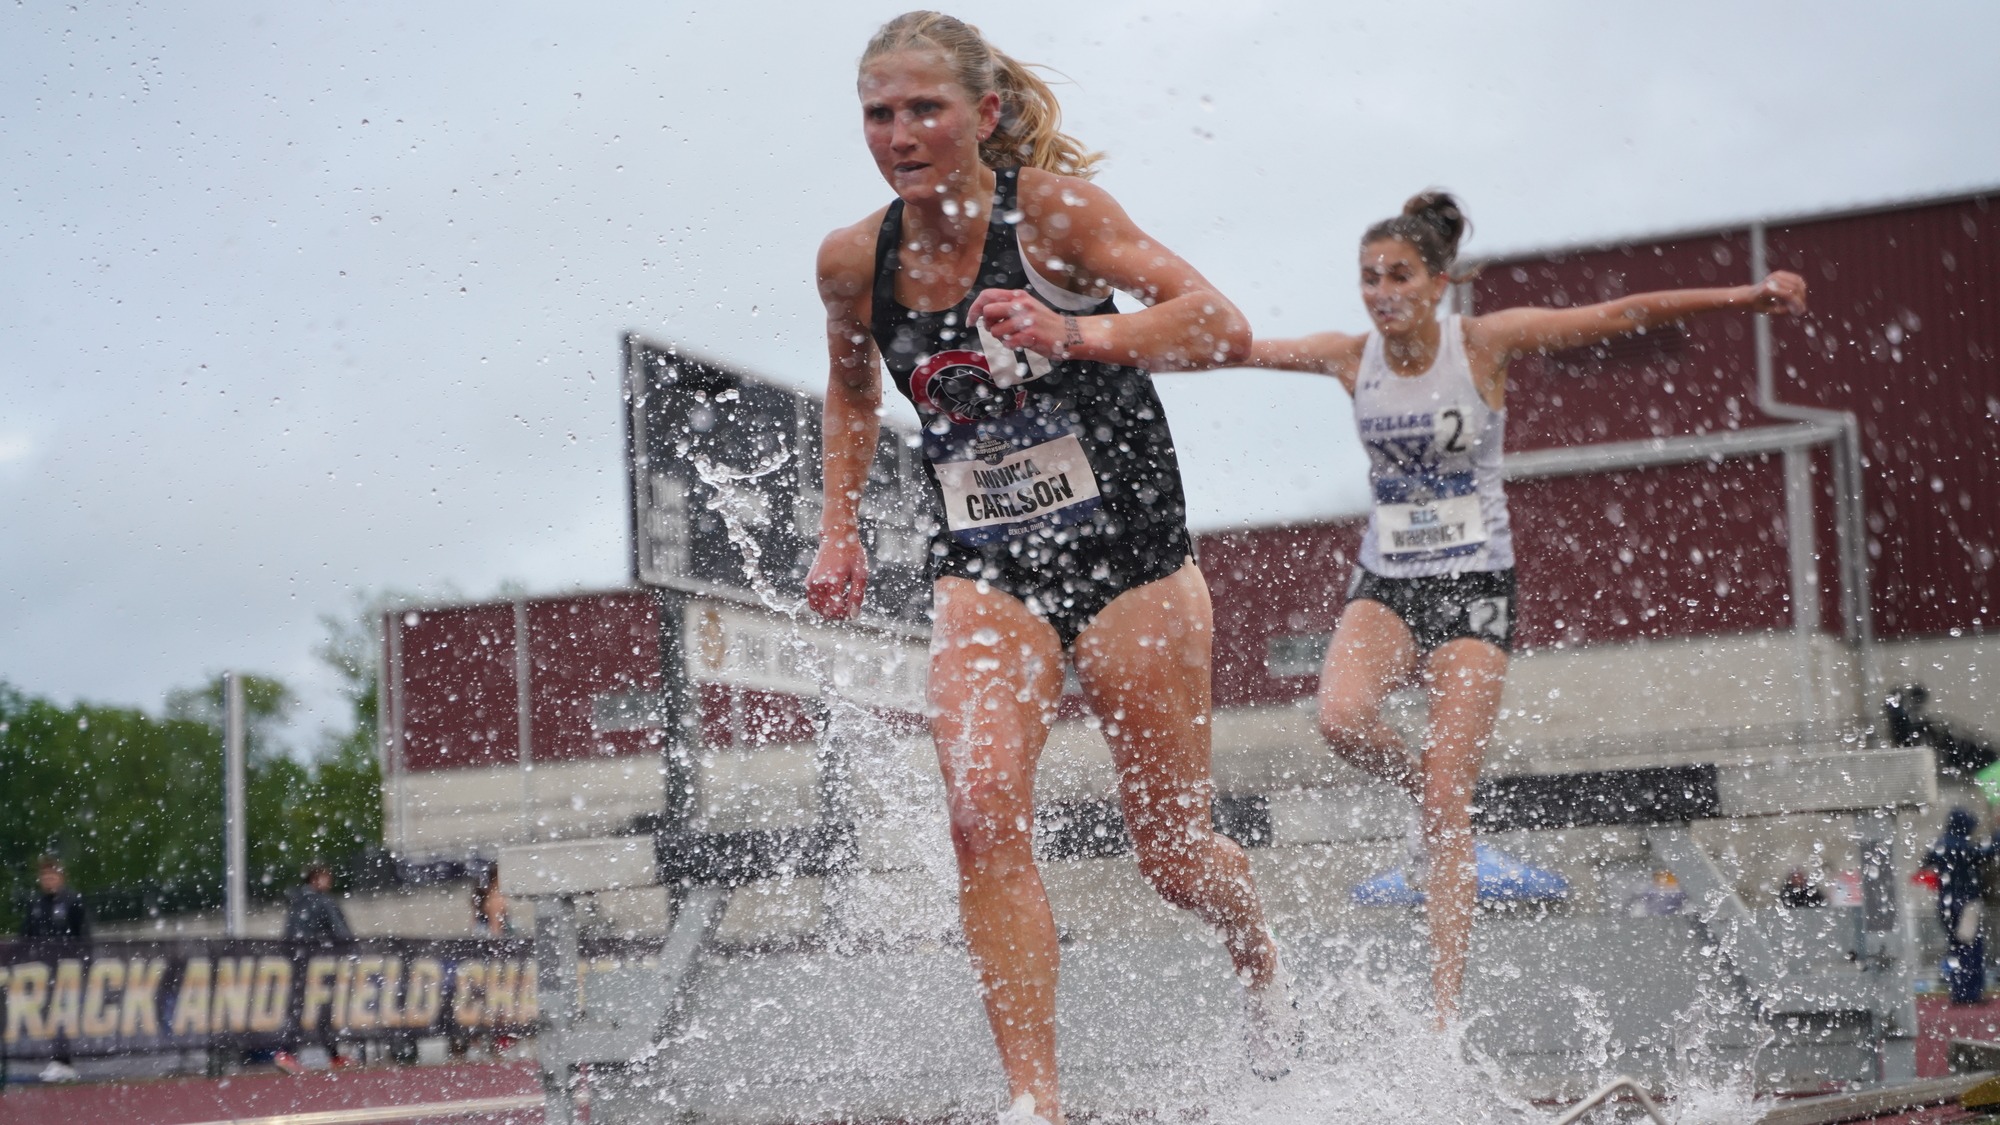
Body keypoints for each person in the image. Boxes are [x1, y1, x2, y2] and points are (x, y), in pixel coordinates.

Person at [804, 13, 1296, 1122]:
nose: (898, 134)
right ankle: (1036, 1103)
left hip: (1129, 560)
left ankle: (1253, 942)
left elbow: (1216, 324)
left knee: (1169, 857)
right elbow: (849, 390)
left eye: (923, 109)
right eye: (878, 114)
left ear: (982, 115)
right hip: (985, 566)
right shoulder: (854, 260)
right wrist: (839, 523)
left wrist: (1075, 336)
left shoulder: (1054, 218)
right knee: (977, 808)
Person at [1248, 190, 1808, 1025]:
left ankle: (1442, 1018)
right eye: (1367, 277)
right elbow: (1229, 346)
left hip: (1476, 583)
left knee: (1447, 809)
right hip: (1388, 582)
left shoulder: (1484, 342)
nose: (1380, 291)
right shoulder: (1346, 356)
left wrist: (1745, 299)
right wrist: (1087, 340)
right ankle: (1428, 785)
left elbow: (1623, 312)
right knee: (1340, 718)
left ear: (1438, 282)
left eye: (1398, 274)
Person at [275, 863, 354, 1074]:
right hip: (320, 961)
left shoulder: (297, 902)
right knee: (322, 1009)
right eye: (326, 877)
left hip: (299, 960)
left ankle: (292, 1053)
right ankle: (291, 1052)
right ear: (315, 879)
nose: (330, 882)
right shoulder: (322, 902)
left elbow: (290, 933)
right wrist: (349, 947)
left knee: (301, 1007)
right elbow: (341, 932)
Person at [21, 856, 89, 1081]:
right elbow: (26, 936)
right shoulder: (36, 905)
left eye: (53, 875)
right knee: (50, 1015)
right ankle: (58, 1060)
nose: (49, 880)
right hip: (43, 971)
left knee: (63, 1015)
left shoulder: (72, 901)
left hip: (67, 970)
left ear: (61, 877)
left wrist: (83, 964)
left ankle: (64, 1062)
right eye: (45, 876)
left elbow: (84, 936)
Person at [1923, 808, 1989, 1005]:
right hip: (1966, 904)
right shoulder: (1962, 846)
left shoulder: (1940, 844)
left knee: (1956, 948)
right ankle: (1970, 993)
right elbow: (1986, 853)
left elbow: (1927, 861)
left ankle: (1959, 990)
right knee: (1971, 948)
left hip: (1946, 902)